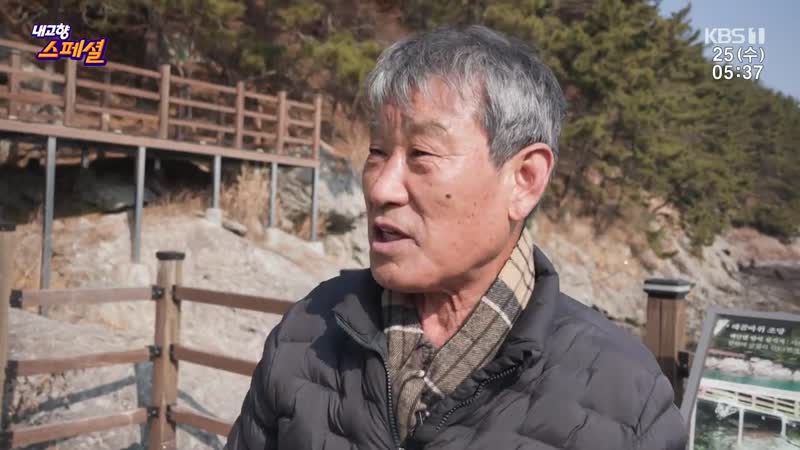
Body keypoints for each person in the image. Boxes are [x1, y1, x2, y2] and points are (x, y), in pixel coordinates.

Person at [225, 25, 688, 450]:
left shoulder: (626, 397)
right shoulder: (308, 330)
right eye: (377, 151)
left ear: (524, 179)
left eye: (422, 153)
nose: (381, 188)